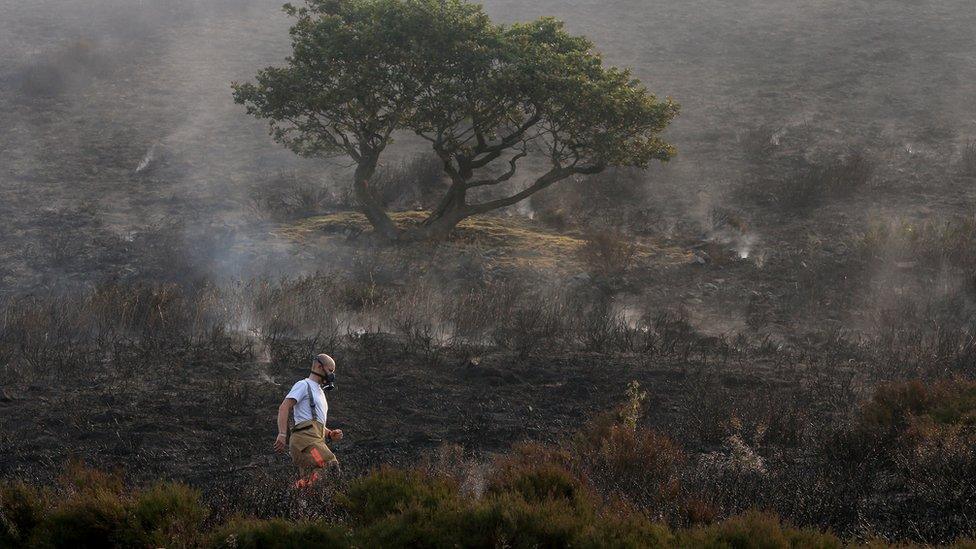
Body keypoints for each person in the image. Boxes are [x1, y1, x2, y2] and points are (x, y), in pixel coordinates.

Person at [274, 353, 344, 488]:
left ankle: (295, 492)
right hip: (306, 443)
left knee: (314, 486)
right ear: (319, 367)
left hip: (314, 441)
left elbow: (314, 422)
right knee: (329, 466)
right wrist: (282, 434)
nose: (332, 375)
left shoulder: (320, 392)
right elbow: (284, 407)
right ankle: (295, 489)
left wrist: (330, 433)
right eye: (330, 371)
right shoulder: (304, 385)